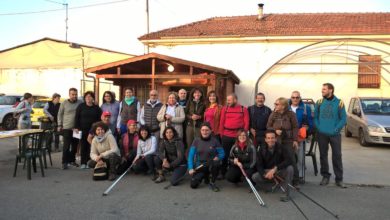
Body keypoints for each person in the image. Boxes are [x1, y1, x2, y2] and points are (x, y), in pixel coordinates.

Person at [314, 83, 347, 188]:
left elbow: (343, 119)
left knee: (337, 156)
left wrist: (336, 129)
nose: (322, 91)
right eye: (322, 89)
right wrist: (319, 128)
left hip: (335, 135)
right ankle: (325, 176)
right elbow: (315, 117)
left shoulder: (339, 103)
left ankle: (339, 179)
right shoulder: (319, 102)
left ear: (331, 90)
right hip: (322, 134)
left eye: (324, 89)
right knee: (323, 155)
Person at [252, 130, 294, 202]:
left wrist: (275, 168)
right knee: (254, 177)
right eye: (268, 138)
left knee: (290, 168)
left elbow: (289, 160)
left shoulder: (282, 147)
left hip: (278, 170)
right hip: (267, 171)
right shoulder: (261, 149)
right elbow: (259, 165)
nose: (270, 140)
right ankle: (272, 186)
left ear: (275, 138)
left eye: (272, 138)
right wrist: (264, 174)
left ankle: (286, 193)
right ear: (265, 139)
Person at [267, 97, 299, 186]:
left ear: (283, 106)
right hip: (277, 140)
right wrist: (275, 130)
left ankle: (295, 180)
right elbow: (268, 126)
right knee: (277, 159)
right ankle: (278, 178)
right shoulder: (273, 114)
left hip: (288, 140)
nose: (275, 105)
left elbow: (295, 127)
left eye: (277, 104)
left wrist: (295, 140)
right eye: (275, 104)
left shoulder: (291, 114)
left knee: (291, 159)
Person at [219, 93, 249, 179]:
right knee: (225, 154)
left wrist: (244, 135)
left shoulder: (244, 109)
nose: (227, 102)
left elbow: (246, 123)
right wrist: (222, 134)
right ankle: (223, 172)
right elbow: (222, 122)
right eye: (227, 100)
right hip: (226, 135)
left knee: (239, 155)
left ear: (235, 100)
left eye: (229, 100)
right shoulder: (225, 109)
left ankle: (238, 173)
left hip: (239, 136)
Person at [188, 122, 224, 192]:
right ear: (200, 131)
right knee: (193, 185)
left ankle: (212, 182)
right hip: (200, 165)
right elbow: (191, 155)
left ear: (210, 131)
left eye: (207, 130)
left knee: (216, 163)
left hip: (211, 164)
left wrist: (218, 157)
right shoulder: (196, 140)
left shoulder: (215, 141)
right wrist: (190, 168)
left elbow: (222, 153)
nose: (205, 132)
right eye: (203, 130)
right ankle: (205, 176)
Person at [288, 91, 313, 183]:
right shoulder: (286, 108)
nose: (295, 99)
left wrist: (307, 129)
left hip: (299, 137)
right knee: (288, 157)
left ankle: (300, 176)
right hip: (288, 137)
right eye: (293, 97)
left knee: (300, 157)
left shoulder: (306, 108)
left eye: (297, 97)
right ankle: (289, 176)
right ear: (290, 98)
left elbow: (310, 122)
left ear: (300, 98)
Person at [75, 91, 102, 169]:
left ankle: (91, 162)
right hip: (83, 129)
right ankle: (83, 163)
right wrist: (76, 127)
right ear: (85, 98)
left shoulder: (96, 108)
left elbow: (99, 119)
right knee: (84, 146)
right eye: (86, 97)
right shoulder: (81, 106)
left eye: (90, 96)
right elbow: (77, 117)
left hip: (93, 130)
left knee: (93, 146)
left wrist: (97, 130)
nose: (88, 98)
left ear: (93, 98)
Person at [58, 88, 82, 170]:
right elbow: (60, 114)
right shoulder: (64, 103)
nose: (74, 96)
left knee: (75, 146)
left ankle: (72, 160)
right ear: (69, 94)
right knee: (66, 146)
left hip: (77, 128)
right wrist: (59, 125)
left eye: (76, 94)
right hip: (67, 128)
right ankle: (64, 162)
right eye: (73, 94)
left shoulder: (80, 102)